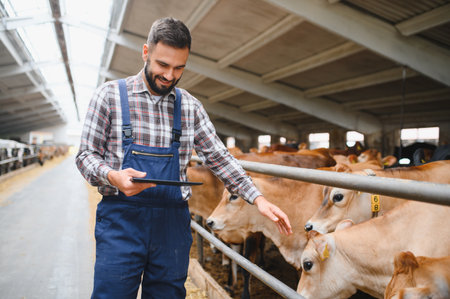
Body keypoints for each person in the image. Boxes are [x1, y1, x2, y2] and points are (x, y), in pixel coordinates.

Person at [76, 17, 292, 299]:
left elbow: (219, 157)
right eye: (162, 65)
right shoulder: (109, 96)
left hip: (171, 224)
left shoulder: (190, 106)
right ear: (146, 53)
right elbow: (85, 156)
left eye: (179, 68)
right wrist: (112, 176)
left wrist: (258, 198)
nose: (169, 75)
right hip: (121, 220)